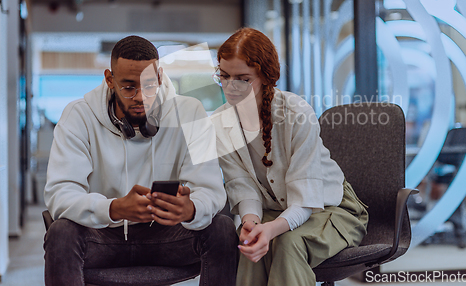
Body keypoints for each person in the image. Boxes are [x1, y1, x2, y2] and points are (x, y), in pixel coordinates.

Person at [44, 35, 238, 286]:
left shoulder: (190, 113)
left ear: (159, 77)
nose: (140, 97)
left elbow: (210, 188)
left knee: (221, 229)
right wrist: (113, 208)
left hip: (168, 237)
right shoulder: (78, 116)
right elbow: (60, 194)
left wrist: (191, 209)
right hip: (102, 237)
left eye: (148, 85)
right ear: (109, 79)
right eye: (128, 87)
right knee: (61, 233)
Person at [210, 28, 368, 286]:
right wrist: (252, 223)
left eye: (242, 79)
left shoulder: (297, 112)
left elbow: (305, 199)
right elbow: (242, 187)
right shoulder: (220, 123)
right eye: (224, 76)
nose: (231, 87)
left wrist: (271, 229)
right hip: (273, 210)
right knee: (248, 248)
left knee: (287, 244)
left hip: (331, 207)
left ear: (264, 76)